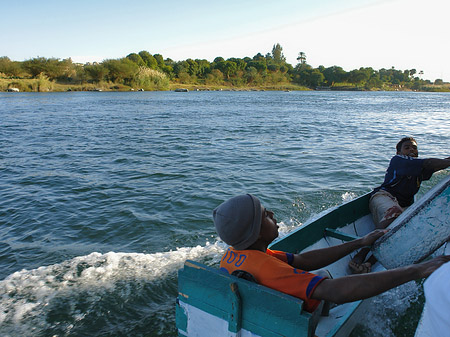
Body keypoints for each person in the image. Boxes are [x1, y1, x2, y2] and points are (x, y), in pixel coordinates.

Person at [213, 194, 450, 313]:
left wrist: (359, 242)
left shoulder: (238, 254)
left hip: (264, 315)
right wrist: (416, 270)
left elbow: (303, 260)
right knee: (323, 278)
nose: (273, 213)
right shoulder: (268, 268)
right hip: (291, 325)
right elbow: (333, 292)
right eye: (265, 214)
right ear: (254, 234)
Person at [349, 136, 450, 273]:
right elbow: (430, 163)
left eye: (414, 148)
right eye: (407, 147)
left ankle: (370, 262)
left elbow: (442, 163)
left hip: (404, 206)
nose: (411, 150)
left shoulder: (419, 168)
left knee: (406, 229)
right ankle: (361, 254)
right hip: (383, 196)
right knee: (394, 214)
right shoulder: (398, 161)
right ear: (399, 152)